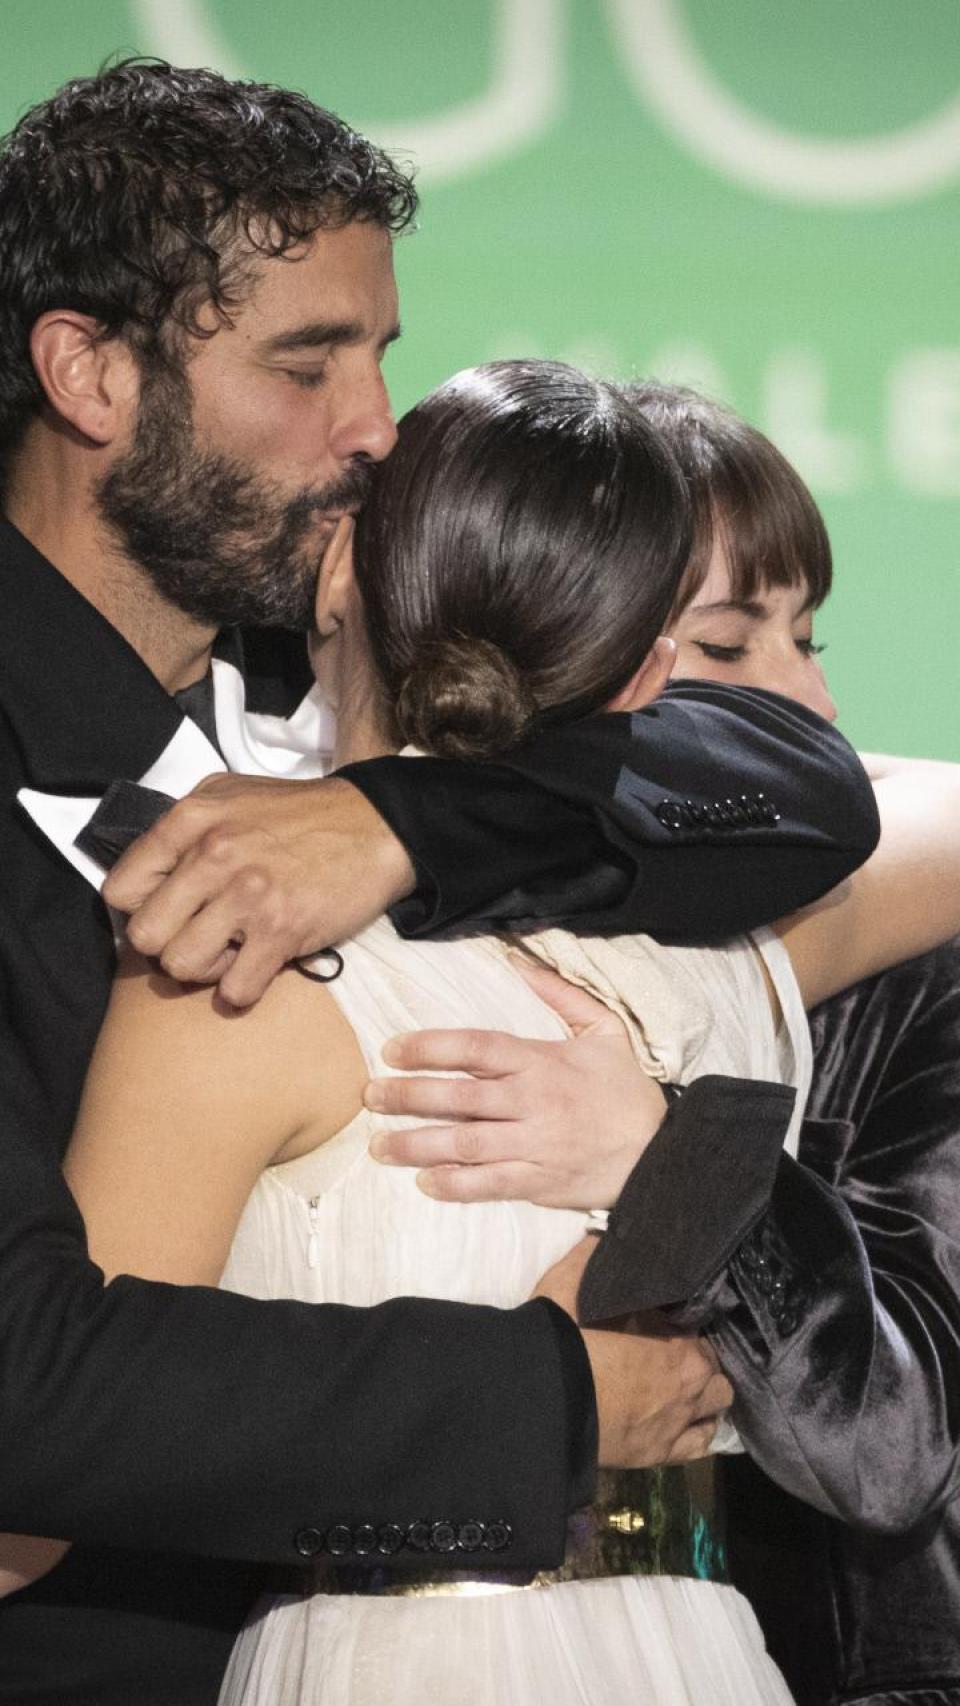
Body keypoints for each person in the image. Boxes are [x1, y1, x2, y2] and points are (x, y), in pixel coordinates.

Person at [0, 64, 879, 1706]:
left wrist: (401, 824)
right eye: (307, 362)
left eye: (383, 355)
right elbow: (29, 1386)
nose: (375, 429)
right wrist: (540, 1398)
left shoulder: (336, 674)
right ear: (88, 371)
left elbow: (809, 785)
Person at [369, 382, 960, 1706]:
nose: (807, 696)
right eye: (730, 646)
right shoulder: (378, 944)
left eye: (807, 636)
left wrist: (667, 1153)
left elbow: (891, 1448)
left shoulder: (918, 959)